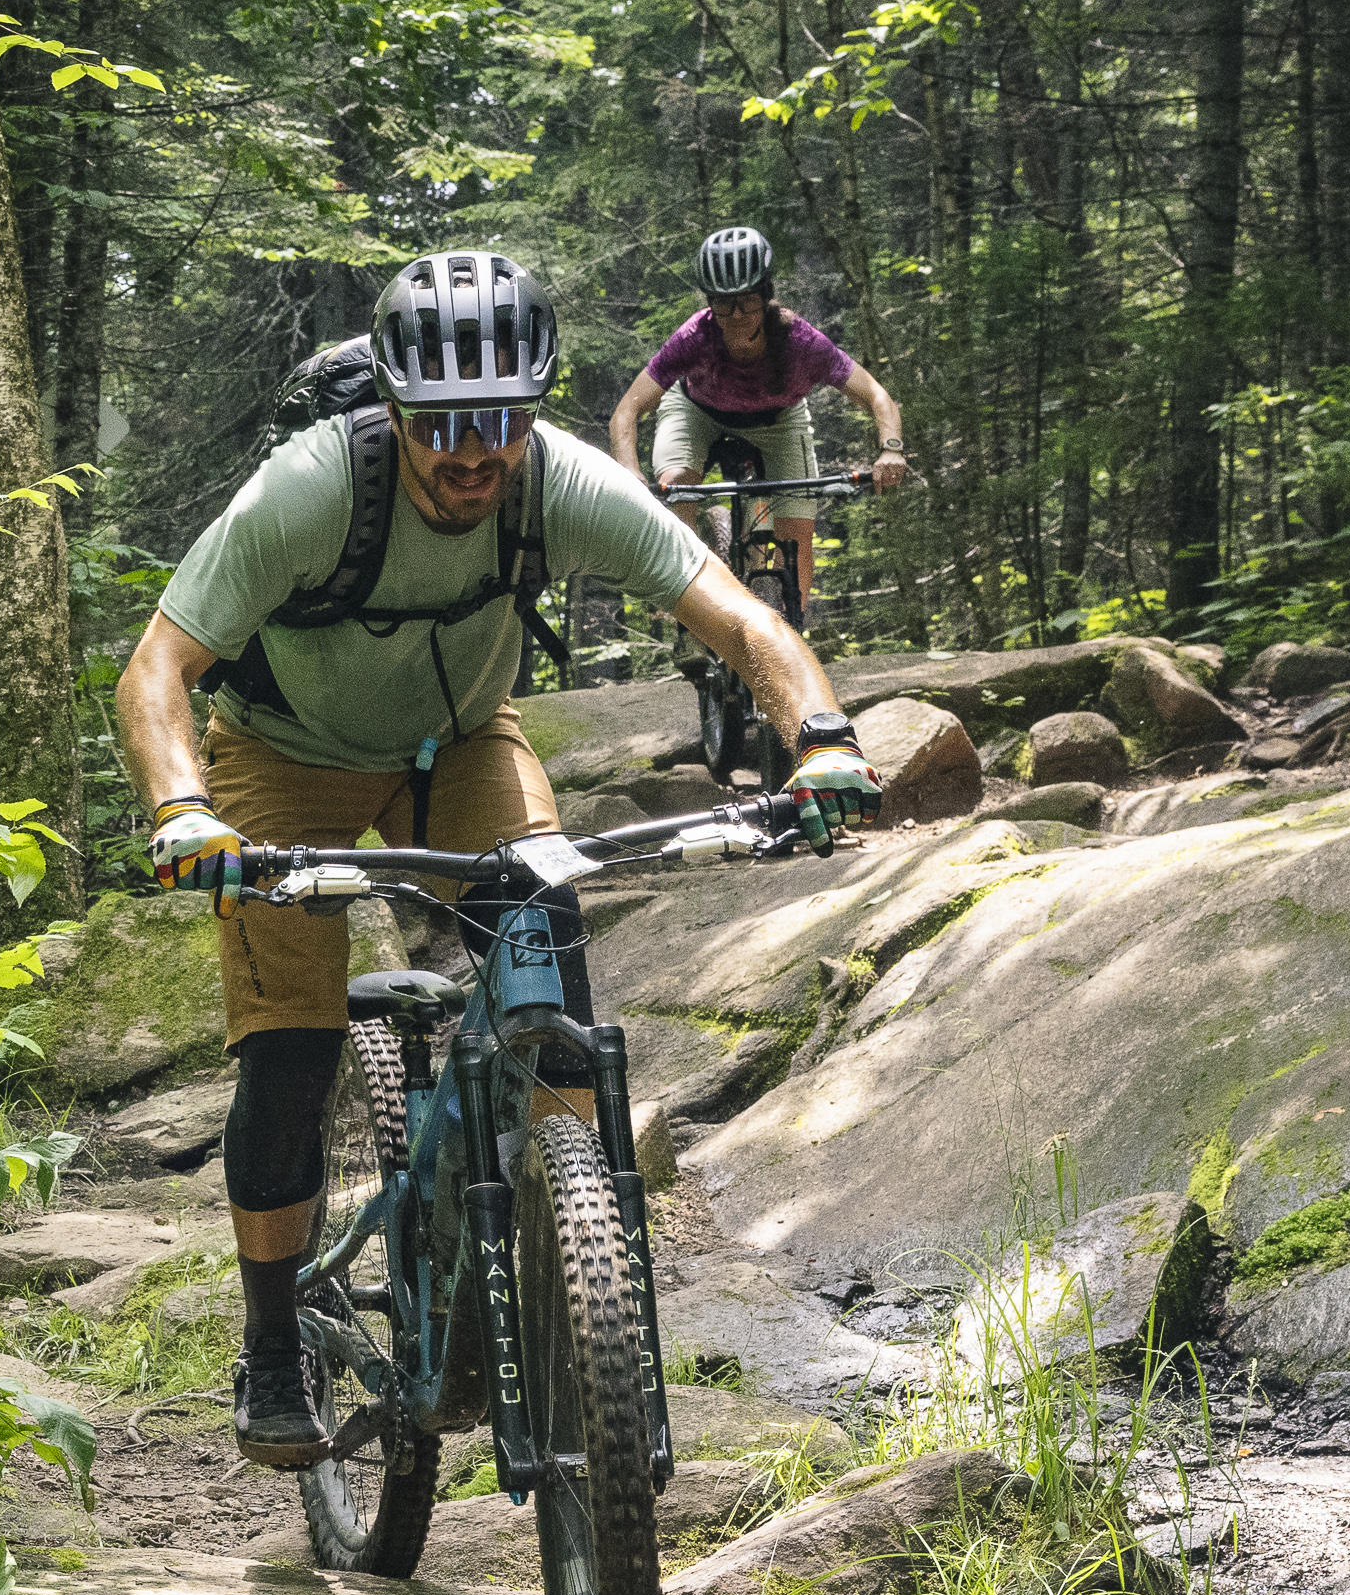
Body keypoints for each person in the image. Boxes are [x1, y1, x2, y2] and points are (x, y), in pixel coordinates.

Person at [118, 247, 881, 1471]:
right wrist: (182, 812)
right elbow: (156, 669)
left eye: (502, 420)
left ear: (530, 409)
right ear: (395, 411)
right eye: (441, 425)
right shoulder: (309, 487)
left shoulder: (558, 480)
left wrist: (824, 740)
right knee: (290, 1048)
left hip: (461, 741)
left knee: (544, 959)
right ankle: (272, 1342)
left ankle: (566, 1254)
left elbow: (739, 616)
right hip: (284, 755)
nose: (473, 451)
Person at [605, 225, 910, 617]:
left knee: (796, 535)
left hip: (779, 421)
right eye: (723, 303)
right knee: (678, 483)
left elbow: (875, 395)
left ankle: (791, 633)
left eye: (747, 302)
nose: (735, 315)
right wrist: (629, 470)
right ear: (710, 301)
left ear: (766, 297)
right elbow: (626, 410)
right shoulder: (694, 337)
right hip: (698, 412)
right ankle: (682, 597)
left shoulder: (801, 342)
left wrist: (891, 449)